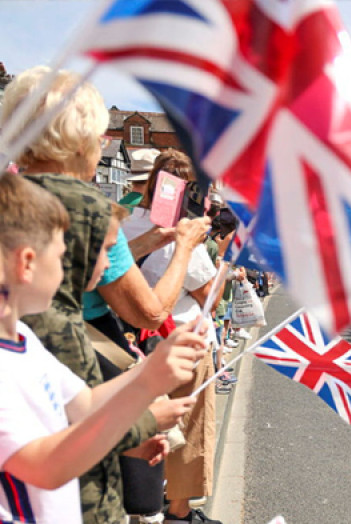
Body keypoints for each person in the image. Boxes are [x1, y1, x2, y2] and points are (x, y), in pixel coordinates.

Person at [1, 65, 193, 524]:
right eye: (78, 250)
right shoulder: (81, 202)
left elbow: (83, 405)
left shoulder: (25, 347)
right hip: (68, 455)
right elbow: (149, 310)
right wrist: (149, 394)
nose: (94, 261)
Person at [120, 150, 223, 524]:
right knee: (189, 428)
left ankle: (142, 508)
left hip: (132, 346)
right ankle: (179, 512)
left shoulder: (124, 224)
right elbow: (209, 293)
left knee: (141, 425)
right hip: (182, 341)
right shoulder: (185, 234)